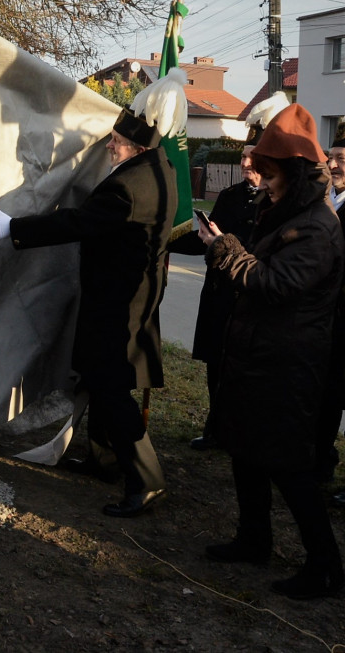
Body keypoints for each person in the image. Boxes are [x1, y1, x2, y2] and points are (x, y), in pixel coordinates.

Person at [0, 70, 188, 517]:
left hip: (120, 305)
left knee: (110, 389)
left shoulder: (129, 187)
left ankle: (148, 480)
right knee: (100, 378)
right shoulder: (155, 169)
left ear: (138, 147)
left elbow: (75, 223)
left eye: (117, 143)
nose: (110, 146)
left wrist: (12, 227)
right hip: (124, 297)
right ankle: (104, 460)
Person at [198, 103, 344, 600]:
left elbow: (275, 283)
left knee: (288, 466)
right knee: (244, 450)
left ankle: (324, 564)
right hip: (258, 357)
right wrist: (232, 245)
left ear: (296, 175)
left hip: (288, 365)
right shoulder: (284, 212)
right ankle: (254, 537)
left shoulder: (318, 228)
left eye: (271, 173)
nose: (262, 180)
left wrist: (227, 251)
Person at [166, 92, 289, 450]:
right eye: (243, 160)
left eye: (252, 160)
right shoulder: (231, 195)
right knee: (215, 366)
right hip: (219, 292)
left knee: (245, 371)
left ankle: (241, 433)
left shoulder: (277, 203)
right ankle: (215, 429)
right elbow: (208, 235)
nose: (246, 166)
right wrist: (164, 240)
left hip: (248, 294)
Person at [318, 135, 345, 488]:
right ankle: (320, 468)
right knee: (324, 399)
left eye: (341, 158)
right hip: (324, 322)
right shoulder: (325, 203)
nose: (333, 165)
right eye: (330, 157)